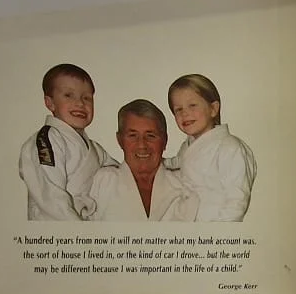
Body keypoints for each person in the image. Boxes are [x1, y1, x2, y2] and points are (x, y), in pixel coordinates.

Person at [18, 62, 115, 221]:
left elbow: (122, 175)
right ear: (50, 103)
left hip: (88, 227)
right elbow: (50, 195)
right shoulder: (46, 140)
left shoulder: (96, 150)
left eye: (86, 98)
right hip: (54, 226)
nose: (80, 103)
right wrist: (75, 230)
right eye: (69, 95)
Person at [166, 74, 256, 223]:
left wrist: (223, 229)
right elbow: (178, 163)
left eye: (192, 105)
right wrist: (159, 162)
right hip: (188, 221)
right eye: (178, 109)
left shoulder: (230, 148)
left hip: (214, 223)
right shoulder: (188, 145)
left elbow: (237, 197)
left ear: (213, 109)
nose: (184, 113)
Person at [89, 100, 198, 222]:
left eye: (150, 136)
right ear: (120, 140)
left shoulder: (183, 182)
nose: (142, 145)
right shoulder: (103, 181)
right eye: (133, 136)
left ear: (164, 141)